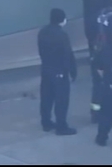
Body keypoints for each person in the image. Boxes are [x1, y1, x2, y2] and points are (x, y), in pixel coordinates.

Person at [37, 8, 78, 136]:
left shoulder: (42, 32)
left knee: (46, 98)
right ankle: (61, 126)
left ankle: (46, 122)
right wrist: (72, 71)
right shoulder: (62, 35)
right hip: (60, 72)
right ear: (62, 20)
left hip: (46, 69)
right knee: (61, 100)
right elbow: (67, 54)